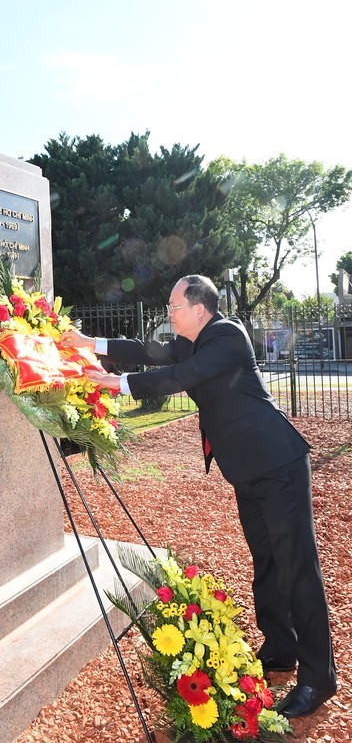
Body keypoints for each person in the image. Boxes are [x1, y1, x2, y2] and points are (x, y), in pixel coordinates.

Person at [60, 274, 337, 719]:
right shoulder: (193, 341)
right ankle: (282, 648)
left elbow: (178, 377)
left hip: (278, 466)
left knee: (297, 566)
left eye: (173, 306)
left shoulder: (227, 336)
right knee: (266, 559)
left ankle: (318, 677)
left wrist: (116, 385)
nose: (168, 314)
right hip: (248, 470)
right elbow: (146, 350)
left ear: (199, 309)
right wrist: (86, 341)